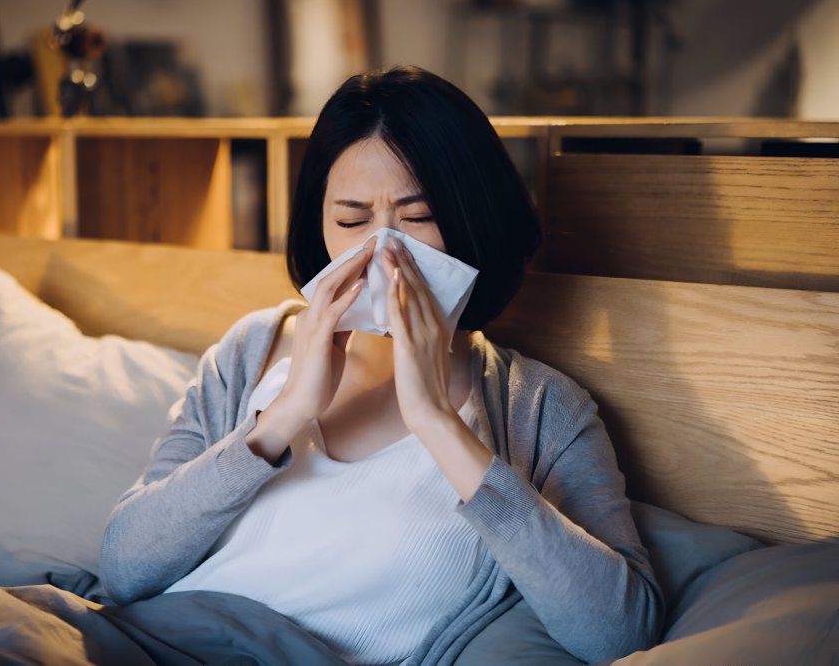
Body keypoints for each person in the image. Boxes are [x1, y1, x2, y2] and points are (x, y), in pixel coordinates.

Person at [99, 65, 664, 665]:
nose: (384, 252)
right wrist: (283, 417)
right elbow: (123, 569)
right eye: (351, 220)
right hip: (136, 642)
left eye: (417, 218)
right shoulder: (251, 352)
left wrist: (439, 423)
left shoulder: (543, 411)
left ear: (474, 218)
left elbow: (620, 631)